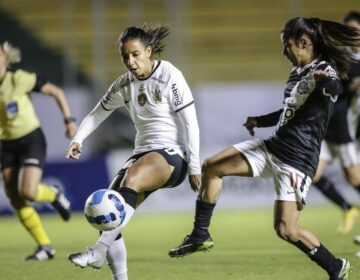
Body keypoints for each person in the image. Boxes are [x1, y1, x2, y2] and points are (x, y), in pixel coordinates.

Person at [168, 17, 360, 280]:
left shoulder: (325, 70)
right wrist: (260, 121)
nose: (284, 52)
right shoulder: (297, 73)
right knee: (212, 166)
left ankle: (336, 267)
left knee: (286, 229)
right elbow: (288, 112)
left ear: (304, 42)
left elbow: (333, 87)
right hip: (274, 146)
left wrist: (323, 82)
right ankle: (200, 234)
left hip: (297, 160)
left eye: (287, 45)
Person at [66, 25, 201, 280]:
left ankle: (98, 252)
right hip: (142, 153)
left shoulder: (169, 74)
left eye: (136, 54)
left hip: (173, 155)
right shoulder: (124, 84)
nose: (131, 62)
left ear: (149, 51)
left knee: (132, 179)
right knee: (108, 212)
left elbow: (190, 123)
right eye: (125, 57)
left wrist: (195, 166)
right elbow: (97, 114)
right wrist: (78, 139)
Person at [0, 41, 77, 260]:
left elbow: (56, 91)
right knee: (15, 198)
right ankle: (45, 247)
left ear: (5, 60)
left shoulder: (19, 79)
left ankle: (54, 194)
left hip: (30, 139)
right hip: (6, 145)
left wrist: (69, 121)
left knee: (28, 191)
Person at [311, 11, 360, 235]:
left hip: (344, 130)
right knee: (312, 175)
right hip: (327, 128)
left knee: (354, 179)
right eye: (347, 30)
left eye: (355, 30)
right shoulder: (342, 59)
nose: (351, 35)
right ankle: (347, 208)